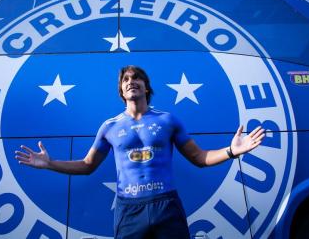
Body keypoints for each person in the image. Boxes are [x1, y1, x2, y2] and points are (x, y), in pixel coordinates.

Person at [15, 65, 265, 239]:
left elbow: (199, 158)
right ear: (121, 92)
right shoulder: (109, 127)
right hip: (129, 209)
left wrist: (232, 150)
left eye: (136, 78)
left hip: (166, 204)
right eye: (125, 80)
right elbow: (87, 165)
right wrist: (50, 163)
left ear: (146, 87)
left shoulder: (168, 120)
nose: (131, 82)